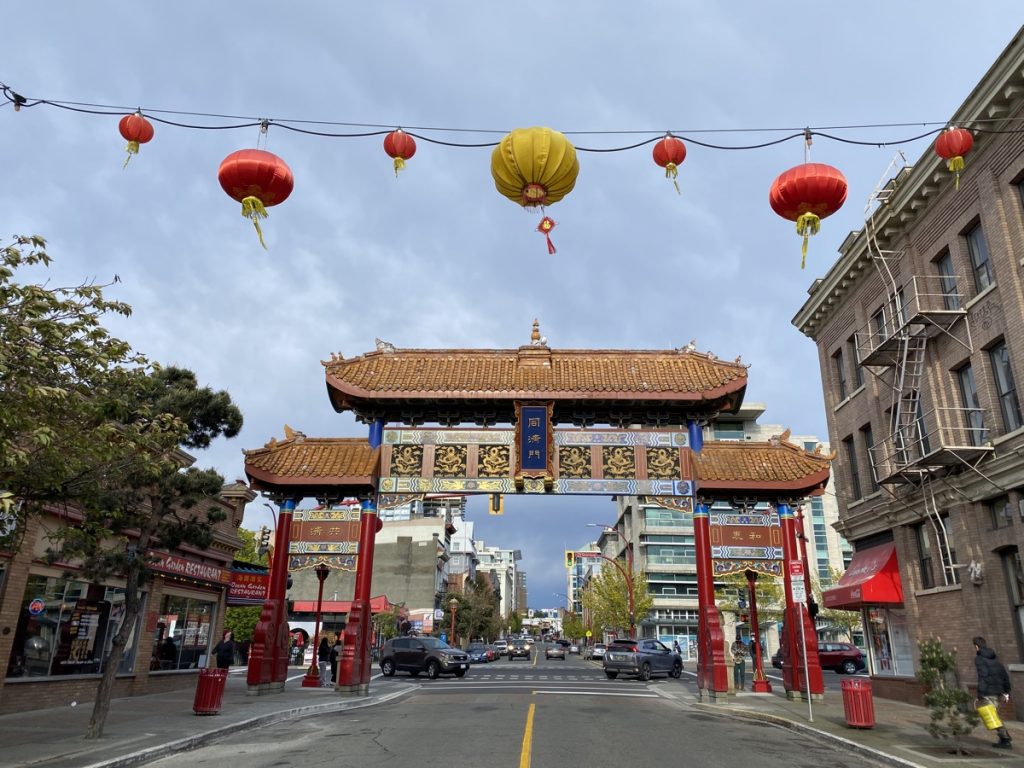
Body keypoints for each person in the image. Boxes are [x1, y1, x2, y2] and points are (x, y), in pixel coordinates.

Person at [974, 636, 1013, 749]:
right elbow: (1004, 675)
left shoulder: (979, 659)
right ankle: (1004, 737)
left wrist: (980, 692)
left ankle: (1005, 739)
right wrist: (1006, 691)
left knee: (990, 716)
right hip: (999, 691)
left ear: (976, 646)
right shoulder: (995, 659)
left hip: (988, 692)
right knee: (994, 715)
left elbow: (983, 676)